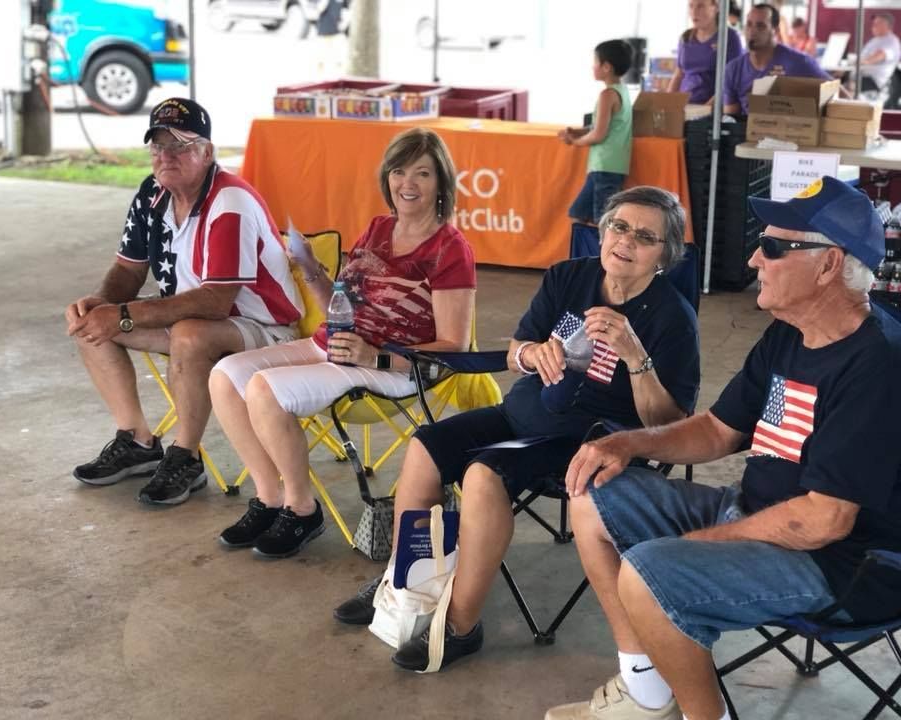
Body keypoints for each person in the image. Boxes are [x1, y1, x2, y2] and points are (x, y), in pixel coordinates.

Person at [544, 175, 901, 720]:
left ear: (830, 264)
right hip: (761, 514)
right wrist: (626, 443)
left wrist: (701, 543)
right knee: (593, 490)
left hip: (847, 567)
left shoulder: (877, 365)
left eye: (777, 247)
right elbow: (717, 429)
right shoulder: (791, 330)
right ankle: (646, 693)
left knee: (650, 571)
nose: (755, 258)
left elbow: (822, 522)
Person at [333, 186, 702, 673]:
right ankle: (404, 586)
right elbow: (516, 350)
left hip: (586, 439)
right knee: (425, 448)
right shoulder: (569, 277)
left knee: (485, 474)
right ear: (603, 231)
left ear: (664, 255)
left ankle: (461, 626)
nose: (626, 241)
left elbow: (667, 425)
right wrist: (531, 354)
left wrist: (636, 357)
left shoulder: (674, 317)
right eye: (618, 226)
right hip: (520, 415)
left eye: (645, 236)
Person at [208, 127, 476, 559]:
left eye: (422, 174)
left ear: (442, 183)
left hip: (393, 367)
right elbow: (343, 306)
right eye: (399, 171)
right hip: (336, 345)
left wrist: (376, 355)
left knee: (264, 389)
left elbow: (454, 348)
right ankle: (269, 498)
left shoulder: (450, 249)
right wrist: (311, 270)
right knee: (225, 375)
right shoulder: (377, 228)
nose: (407, 183)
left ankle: (302, 509)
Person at [65, 98, 303, 506]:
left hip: (266, 328)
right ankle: (137, 439)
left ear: (207, 153)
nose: (166, 156)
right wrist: (102, 304)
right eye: (157, 146)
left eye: (180, 146)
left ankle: (186, 457)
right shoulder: (151, 194)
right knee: (91, 321)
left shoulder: (231, 201)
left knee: (190, 335)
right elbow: (127, 270)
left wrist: (121, 315)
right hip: (191, 317)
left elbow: (215, 301)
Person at [560, 40, 634, 228]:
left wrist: (575, 141)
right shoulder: (622, 91)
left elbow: (599, 134)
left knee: (601, 222)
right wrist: (577, 131)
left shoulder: (607, 95)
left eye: (595, 62)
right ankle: (583, 255)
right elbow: (601, 125)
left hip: (605, 167)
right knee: (578, 214)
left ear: (606, 67)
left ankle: (599, 257)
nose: (593, 67)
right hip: (606, 167)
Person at [723, 3, 830, 116]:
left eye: (760, 26)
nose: (752, 31)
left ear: (775, 30)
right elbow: (732, 120)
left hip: (789, 130)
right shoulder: (733, 69)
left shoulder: (799, 63)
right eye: (749, 25)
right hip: (749, 131)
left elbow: (836, 91)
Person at [667, 0, 743, 105]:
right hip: (685, 105)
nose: (694, 12)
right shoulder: (686, 38)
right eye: (691, 6)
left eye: (700, 6)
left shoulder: (729, 37)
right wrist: (667, 103)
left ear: (716, 7)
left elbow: (732, 81)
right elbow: (679, 74)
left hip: (713, 108)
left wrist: (706, 109)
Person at [858, 13, 901, 95]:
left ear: (886, 25)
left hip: (873, 81)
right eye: (874, 23)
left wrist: (860, 62)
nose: (873, 25)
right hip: (862, 77)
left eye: (877, 23)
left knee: (846, 87)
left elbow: (878, 56)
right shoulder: (875, 40)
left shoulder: (891, 42)